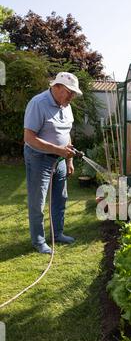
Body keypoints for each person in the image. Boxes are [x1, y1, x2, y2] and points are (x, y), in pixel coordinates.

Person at [23, 72, 82, 254]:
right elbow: (29, 138)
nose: (72, 96)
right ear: (56, 87)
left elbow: (67, 134)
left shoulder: (66, 106)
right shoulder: (38, 103)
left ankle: (58, 234)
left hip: (60, 160)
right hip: (39, 158)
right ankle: (39, 241)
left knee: (60, 198)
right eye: (69, 92)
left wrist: (69, 159)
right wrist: (58, 151)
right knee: (38, 202)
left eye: (73, 93)